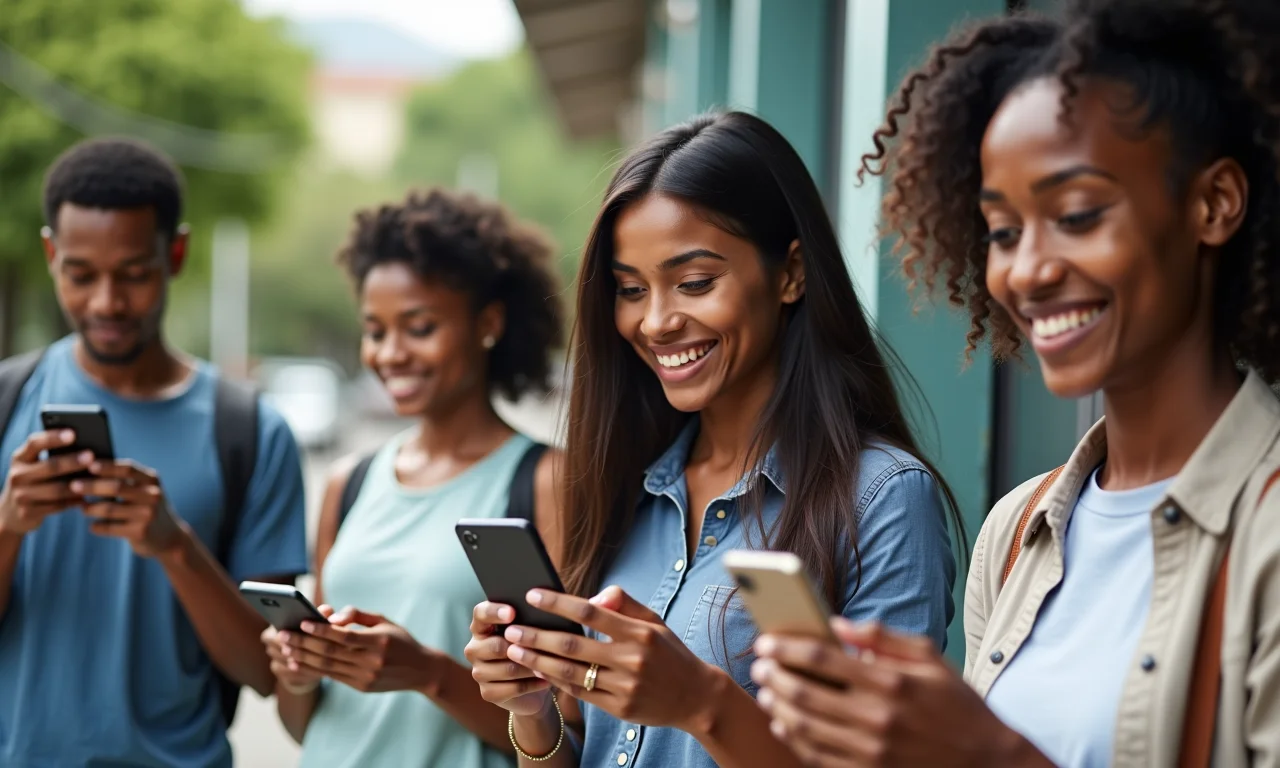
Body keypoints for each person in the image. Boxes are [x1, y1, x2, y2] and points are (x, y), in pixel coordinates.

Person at [751, 1, 1280, 766]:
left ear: (1214, 204)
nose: (1026, 270)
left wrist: (989, 754)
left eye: (1077, 213)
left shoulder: (1264, 533)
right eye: (1002, 231)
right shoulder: (1018, 531)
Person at [464, 110, 961, 768]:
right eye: (630, 290)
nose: (658, 321)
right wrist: (532, 714)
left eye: (695, 282)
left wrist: (701, 703)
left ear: (790, 273)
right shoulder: (624, 484)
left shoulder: (882, 497)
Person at [0, 137, 307, 766]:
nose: (107, 302)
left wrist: (175, 546)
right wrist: (7, 528)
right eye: (81, 275)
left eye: (134, 273)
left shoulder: (250, 431)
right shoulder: (6, 400)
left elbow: (266, 669)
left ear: (176, 253)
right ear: (51, 255)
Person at [260, 187, 564, 768]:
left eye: (419, 327)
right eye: (375, 330)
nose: (390, 354)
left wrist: (429, 674)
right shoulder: (349, 483)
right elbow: (306, 727)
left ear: (489, 323)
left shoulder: (546, 481)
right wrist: (296, 674)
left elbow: (567, 732)